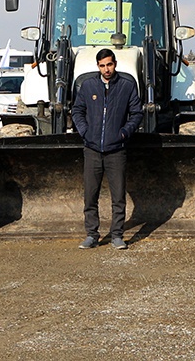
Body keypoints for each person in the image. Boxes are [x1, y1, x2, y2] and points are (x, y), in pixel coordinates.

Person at [72, 48, 142, 250]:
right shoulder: (88, 86)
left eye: (109, 64)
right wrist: (85, 132)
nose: (106, 69)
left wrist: (124, 133)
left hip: (116, 151)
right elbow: (77, 110)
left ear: (115, 64)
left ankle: (117, 235)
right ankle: (92, 235)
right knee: (90, 195)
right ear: (98, 67)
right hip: (92, 149)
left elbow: (136, 113)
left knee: (118, 195)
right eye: (102, 65)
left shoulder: (127, 86)